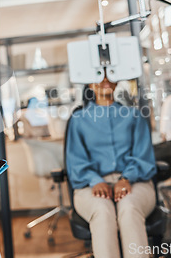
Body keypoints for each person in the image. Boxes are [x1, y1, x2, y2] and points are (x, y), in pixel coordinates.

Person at [65, 73, 157, 258]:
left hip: (136, 182)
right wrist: (95, 180)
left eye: (109, 75)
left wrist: (126, 178)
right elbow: (75, 161)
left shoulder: (134, 115)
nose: (105, 80)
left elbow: (143, 157)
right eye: (99, 76)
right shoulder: (79, 119)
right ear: (90, 84)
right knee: (102, 210)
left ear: (116, 81)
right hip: (89, 185)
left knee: (129, 208)